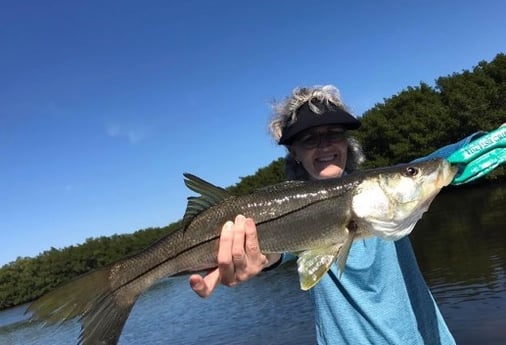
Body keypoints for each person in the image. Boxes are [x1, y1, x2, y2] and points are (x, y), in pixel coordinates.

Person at [188, 85, 456, 344]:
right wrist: (250, 258)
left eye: (334, 134)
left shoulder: (384, 191)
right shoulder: (294, 211)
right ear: (294, 153)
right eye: (310, 139)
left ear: (346, 142)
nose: (325, 146)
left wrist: (477, 147)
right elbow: (275, 254)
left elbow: (439, 162)